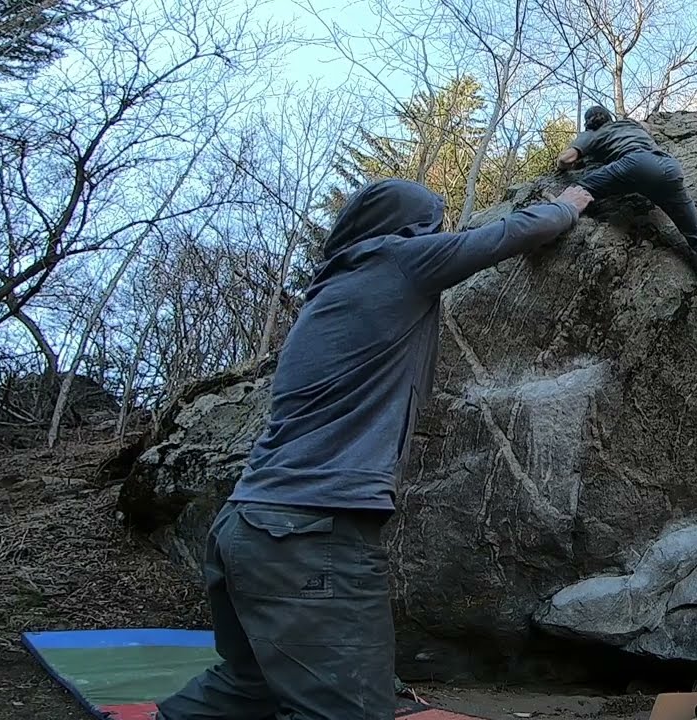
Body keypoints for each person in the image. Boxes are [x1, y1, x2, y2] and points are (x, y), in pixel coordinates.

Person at [155, 179, 594, 720]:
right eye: (432, 225)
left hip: (249, 527)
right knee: (351, 710)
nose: (438, 235)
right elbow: (508, 235)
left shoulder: (335, 289)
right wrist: (568, 204)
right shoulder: (395, 261)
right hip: (310, 534)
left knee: (251, 684)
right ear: (411, 228)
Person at [556, 105, 697, 308]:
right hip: (669, 168)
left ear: (589, 122)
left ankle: (552, 219)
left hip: (634, 166)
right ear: (609, 117)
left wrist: (562, 164)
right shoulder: (630, 124)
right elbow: (647, 126)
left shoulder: (591, 134)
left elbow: (567, 159)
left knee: (579, 189)